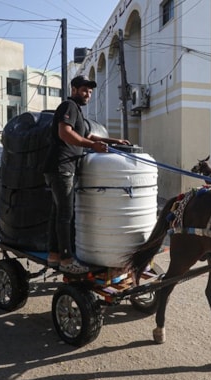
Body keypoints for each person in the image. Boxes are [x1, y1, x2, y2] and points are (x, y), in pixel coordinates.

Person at [43, 75, 130, 274]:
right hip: (61, 166)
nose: (88, 94)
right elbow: (65, 133)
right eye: (84, 90)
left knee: (58, 213)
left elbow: (88, 136)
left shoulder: (77, 112)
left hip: (61, 167)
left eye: (90, 92)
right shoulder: (68, 106)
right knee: (66, 214)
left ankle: (54, 255)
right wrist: (93, 146)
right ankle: (66, 260)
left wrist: (114, 141)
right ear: (74, 89)